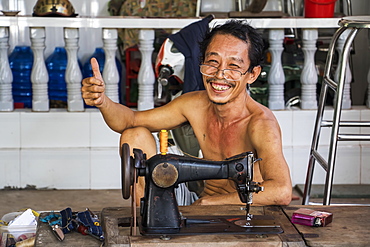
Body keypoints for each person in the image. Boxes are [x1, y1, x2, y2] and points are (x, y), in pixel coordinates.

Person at [81, 19, 292, 206]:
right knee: (134, 135)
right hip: (199, 199)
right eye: (212, 62)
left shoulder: (261, 124)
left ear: (252, 74)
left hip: (241, 207)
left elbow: (282, 192)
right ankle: (147, 224)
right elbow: (130, 121)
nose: (220, 74)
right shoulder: (194, 104)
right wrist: (102, 101)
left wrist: (212, 204)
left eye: (234, 66)